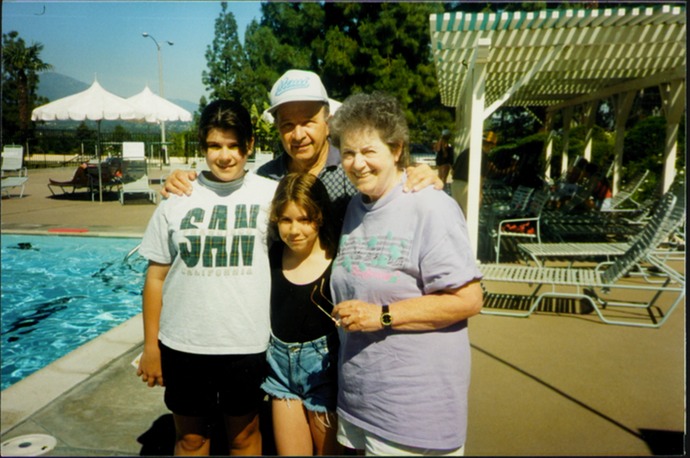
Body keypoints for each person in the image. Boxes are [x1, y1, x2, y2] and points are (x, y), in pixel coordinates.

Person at [328, 92, 484, 456]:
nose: (357, 163)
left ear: (396, 150)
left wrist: (381, 316)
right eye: (349, 153)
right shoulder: (356, 206)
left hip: (413, 413)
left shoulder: (430, 206)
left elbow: (469, 299)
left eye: (369, 151)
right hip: (359, 404)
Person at [136, 99, 278, 456]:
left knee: (244, 437)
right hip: (184, 343)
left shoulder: (272, 196)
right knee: (191, 439)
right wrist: (151, 346)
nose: (224, 156)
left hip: (246, 343)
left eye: (233, 146)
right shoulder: (177, 198)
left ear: (249, 146)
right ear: (203, 147)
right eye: (215, 146)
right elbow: (155, 278)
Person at [161, 69, 443, 224]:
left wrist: (420, 173)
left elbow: (392, 188)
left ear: (327, 120)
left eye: (307, 121)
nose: (298, 135)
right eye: (287, 125)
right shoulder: (264, 178)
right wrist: (188, 181)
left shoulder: (354, 171)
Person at [262, 172, 342, 455]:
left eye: (305, 219)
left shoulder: (338, 261)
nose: (294, 230)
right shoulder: (271, 255)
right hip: (280, 372)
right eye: (286, 220)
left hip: (324, 372)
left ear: (320, 216)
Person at [450, 131, 499, 215]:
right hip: (467, 186)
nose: (490, 149)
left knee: (458, 214)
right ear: (488, 144)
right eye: (491, 147)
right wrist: (479, 193)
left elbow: (452, 171)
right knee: (469, 215)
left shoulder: (466, 151)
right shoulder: (482, 155)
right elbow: (480, 176)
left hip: (455, 184)